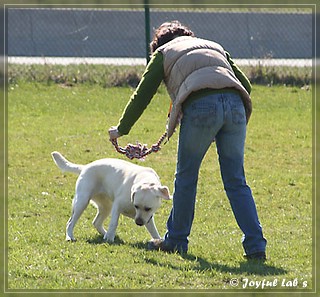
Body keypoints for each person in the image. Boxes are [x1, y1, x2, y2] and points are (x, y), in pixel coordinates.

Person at [109, 20, 267, 260]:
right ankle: (256, 246)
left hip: (201, 109)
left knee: (186, 177)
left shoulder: (163, 54)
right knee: (236, 180)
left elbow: (142, 94)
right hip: (236, 107)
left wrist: (121, 129)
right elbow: (245, 84)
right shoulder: (214, 46)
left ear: (157, 45)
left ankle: (176, 240)